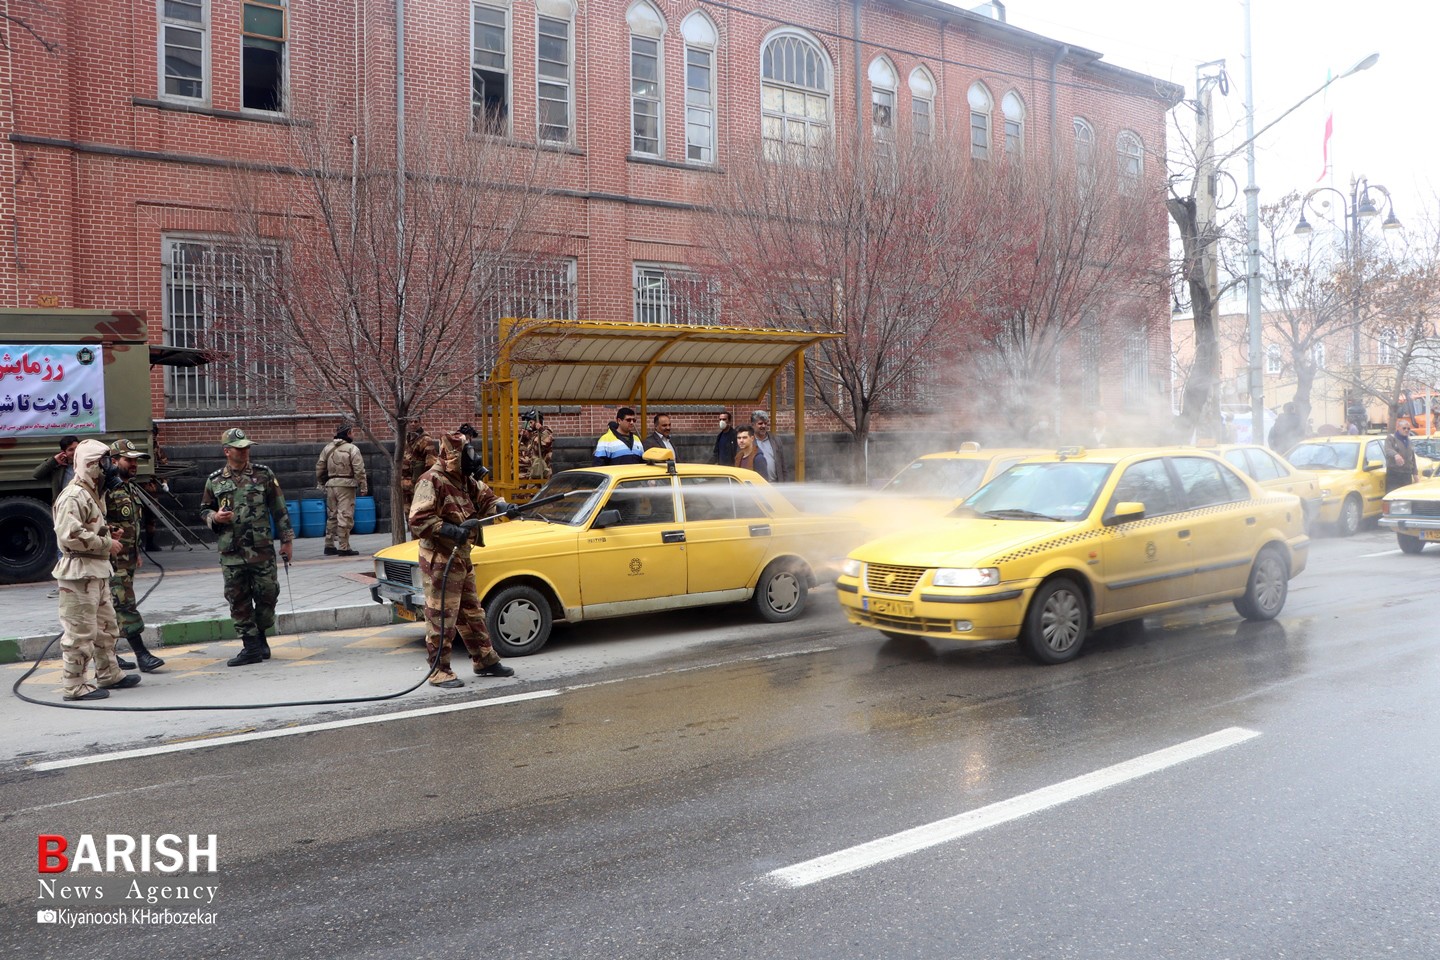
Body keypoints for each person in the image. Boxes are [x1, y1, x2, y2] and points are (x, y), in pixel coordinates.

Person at [408, 431, 515, 688]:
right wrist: (450, 530)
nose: (473, 458)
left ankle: (485, 660)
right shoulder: (431, 480)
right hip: (440, 559)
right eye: (468, 453)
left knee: (471, 611)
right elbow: (418, 520)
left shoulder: (465, 480)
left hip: (461, 556)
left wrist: (504, 508)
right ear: (453, 456)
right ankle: (439, 670)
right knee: (441, 615)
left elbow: (487, 499)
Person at [199, 428, 295, 667]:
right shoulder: (215, 480)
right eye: (239, 448)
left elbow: (279, 508)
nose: (245, 452)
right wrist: (215, 518)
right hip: (231, 551)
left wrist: (287, 541)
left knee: (268, 594)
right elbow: (204, 510)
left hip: (261, 549)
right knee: (238, 598)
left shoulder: (263, 475)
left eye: (247, 447)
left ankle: (261, 634)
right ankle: (251, 646)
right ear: (227, 451)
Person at [52, 439, 139, 701]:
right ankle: (75, 686)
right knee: (80, 633)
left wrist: (106, 531)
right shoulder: (73, 495)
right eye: (104, 463)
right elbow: (69, 535)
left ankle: (109, 673)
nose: (110, 468)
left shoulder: (92, 493)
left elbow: (86, 526)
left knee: (105, 628)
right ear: (91, 465)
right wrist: (106, 543)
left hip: (96, 571)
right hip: (79, 573)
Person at [106, 439, 164, 672]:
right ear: (113, 461)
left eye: (135, 460)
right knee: (125, 604)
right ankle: (142, 655)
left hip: (127, 559)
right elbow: (96, 521)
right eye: (128, 459)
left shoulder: (129, 487)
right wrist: (110, 532)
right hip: (111, 561)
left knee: (112, 608)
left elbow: (132, 524)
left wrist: (136, 552)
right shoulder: (106, 489)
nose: (133, 464)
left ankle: (109, 656)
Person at [316, 421, 368, 557]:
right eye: (352, 432)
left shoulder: (327, 448)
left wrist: (322, 482)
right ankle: (344, 546)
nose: (354, 435)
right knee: (345, 515)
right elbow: (359, 469)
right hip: (346, 485)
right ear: (348, 433)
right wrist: (363, 486)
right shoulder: (352, 449)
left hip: (331, 484)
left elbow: (320, 467)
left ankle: (329, 544)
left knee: (332, 515)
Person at [140, 423, 171, 551]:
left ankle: (150, 542)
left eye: (154, 433)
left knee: (152, 515)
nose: (152, 435)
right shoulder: (140, 445)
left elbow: (164, 464)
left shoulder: (156, 447)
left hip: (151, 486)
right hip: (136, 485)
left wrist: (165, 482)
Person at [399, 423, 436, 519]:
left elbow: (431, 462)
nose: (413, 424)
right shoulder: (407, 438)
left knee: (419, 515)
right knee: (409, 515)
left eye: (416, 421)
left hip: (418, 485)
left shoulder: (425, 440)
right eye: (410, 421)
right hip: (406, 485)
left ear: (420, 422)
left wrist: (425, 483)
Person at [32, 434, 81, 501]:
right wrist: (54, 460)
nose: (75, 452)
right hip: (64, 504)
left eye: (77, 448)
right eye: (71, 450)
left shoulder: (88, 464)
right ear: (63, 452)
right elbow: (36, 474)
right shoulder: (58, 467)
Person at [750, 410, 787, 482]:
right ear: (753, 425)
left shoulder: (776, 440)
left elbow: (783, 465)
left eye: (765, 423)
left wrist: (784, 484)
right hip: (758, 486)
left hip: (775, 485)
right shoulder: (749, 442)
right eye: (760, 423)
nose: (763, 426)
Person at [1383, 419, 1418, 493]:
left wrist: (1415, 474)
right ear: (1398, 428)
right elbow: (1388, 449)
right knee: (1393, 497)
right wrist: (1396, 455)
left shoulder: (1409, 441)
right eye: (1404, 428)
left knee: (1406, 497)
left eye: (1408, 428)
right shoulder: (1391, 438)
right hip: (1394, 474)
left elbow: (1412, 459)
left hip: (1407, 474)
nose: (1406, 430)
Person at [518, 409, 554, 480]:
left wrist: (540, 429)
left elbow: (545, 443)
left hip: (540, 472)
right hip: (529, 472)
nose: (529, 425)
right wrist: (523, 437)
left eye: (530, 422)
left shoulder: (545, 432)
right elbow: (525, 450)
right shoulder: (530, 435)